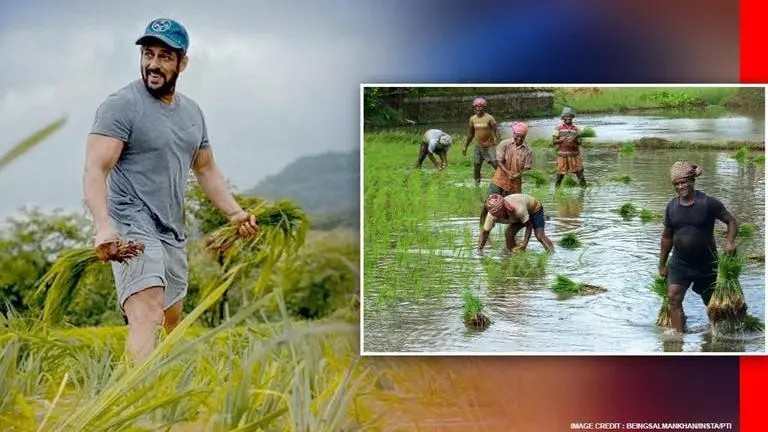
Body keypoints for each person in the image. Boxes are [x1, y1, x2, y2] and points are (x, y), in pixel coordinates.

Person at [83, 18, 259, 363]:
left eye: (164, 56)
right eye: (148, 54)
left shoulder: (192, 113)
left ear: (183, 63)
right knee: (147, 314)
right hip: (132, 224)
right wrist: (103, 225)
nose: (153, 63)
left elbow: (205, 168)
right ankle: (137, 394)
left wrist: (236, 214)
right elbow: (95, 168)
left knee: (169, 321)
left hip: (171, 231)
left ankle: (155, 385)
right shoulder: (121, 105)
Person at [658, 161, 738, 333]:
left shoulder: (708, 203)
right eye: (676, 184)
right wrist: (662, 264)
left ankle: (717, 335)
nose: (680, 186)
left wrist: (730, 241)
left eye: (684, 182)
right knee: (673, 297)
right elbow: (666, 237)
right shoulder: (671, 207)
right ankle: (678, 338)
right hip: (680, 262)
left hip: (706, 262)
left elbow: (731, 221)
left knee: (711, 301)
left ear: (692, 181)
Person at [479, 122, 534, 226]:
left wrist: (519, 174)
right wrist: (508, 172)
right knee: (488, 204)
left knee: (512, 209)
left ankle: (510, 232)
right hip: (499, 181)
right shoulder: (504, 144)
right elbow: (499, 161)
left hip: (515, 185)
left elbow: (527, 168)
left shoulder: (528, 151)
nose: (519, 139)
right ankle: (482, 227)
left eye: (522, 137)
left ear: (525, 136)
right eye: (517, 136)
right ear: (513, 134)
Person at [478, 193, 555, 254]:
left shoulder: (519, 210)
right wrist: (480, 250)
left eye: (502, 213)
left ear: (505, 208)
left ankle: (552, 253)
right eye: (498, 215)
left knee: (539, 235)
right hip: (517, 216)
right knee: (508, 233)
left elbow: (529, 226)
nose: (501, 216)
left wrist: (524, 245)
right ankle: (513, 254)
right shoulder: (491, 216)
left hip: (534, 209)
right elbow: (485, 233)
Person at [462, 97, 500, 185]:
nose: (478, 108)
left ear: (484, 107)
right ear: (474, 108)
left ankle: (502, 181)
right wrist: (465, 146)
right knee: (476, 165)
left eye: (480, 106)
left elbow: (496, 132)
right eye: (476, 106)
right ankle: (477, 185)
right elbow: (470, 134)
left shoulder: (490, 118)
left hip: (489, 146)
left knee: (495, 163)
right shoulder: (472, 119)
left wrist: (499, 145)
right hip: (478, 147)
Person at [552, 107, 587, 188]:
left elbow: (580, 142)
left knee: (580, 173)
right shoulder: (558, 128)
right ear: (563, 118)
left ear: (572, 117)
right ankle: (557, 191)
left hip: (574, 155)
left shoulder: (576, 129)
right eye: (566, 116)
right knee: (560, 175)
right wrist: (561, 140)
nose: (568, 118)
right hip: (562, 155)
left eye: (570, 116)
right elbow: (554, 141)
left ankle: (584, 190)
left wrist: (574, 139)